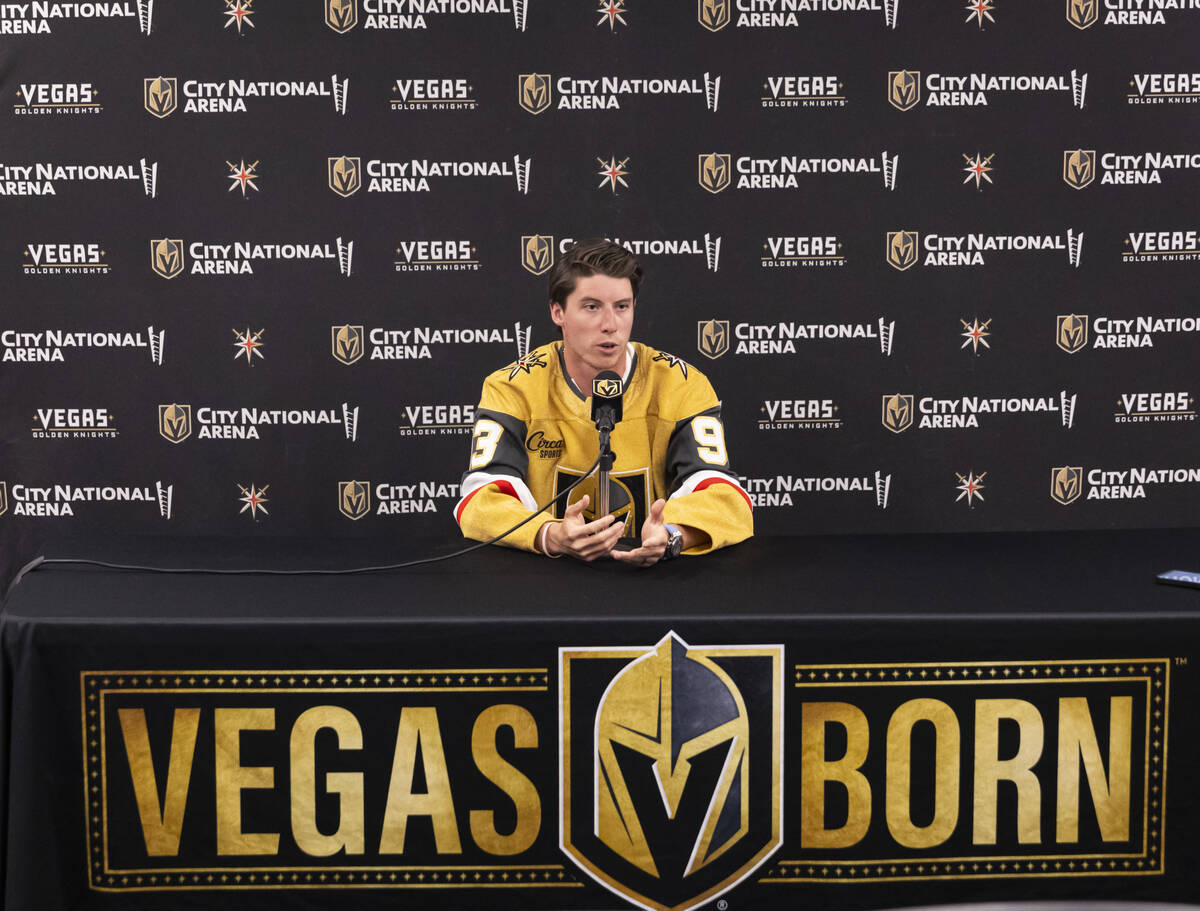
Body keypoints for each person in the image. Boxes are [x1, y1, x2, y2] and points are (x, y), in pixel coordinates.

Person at [454, 239, 752, 565]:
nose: (610, 324)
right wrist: (550, 535)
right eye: (591, 307)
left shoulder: (681, 384)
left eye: (622, 306)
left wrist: (673, 535)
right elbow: (480, 499)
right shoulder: (514, 387)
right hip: (544, 587)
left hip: (655, 586)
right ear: (558, 312)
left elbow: (725, 497)